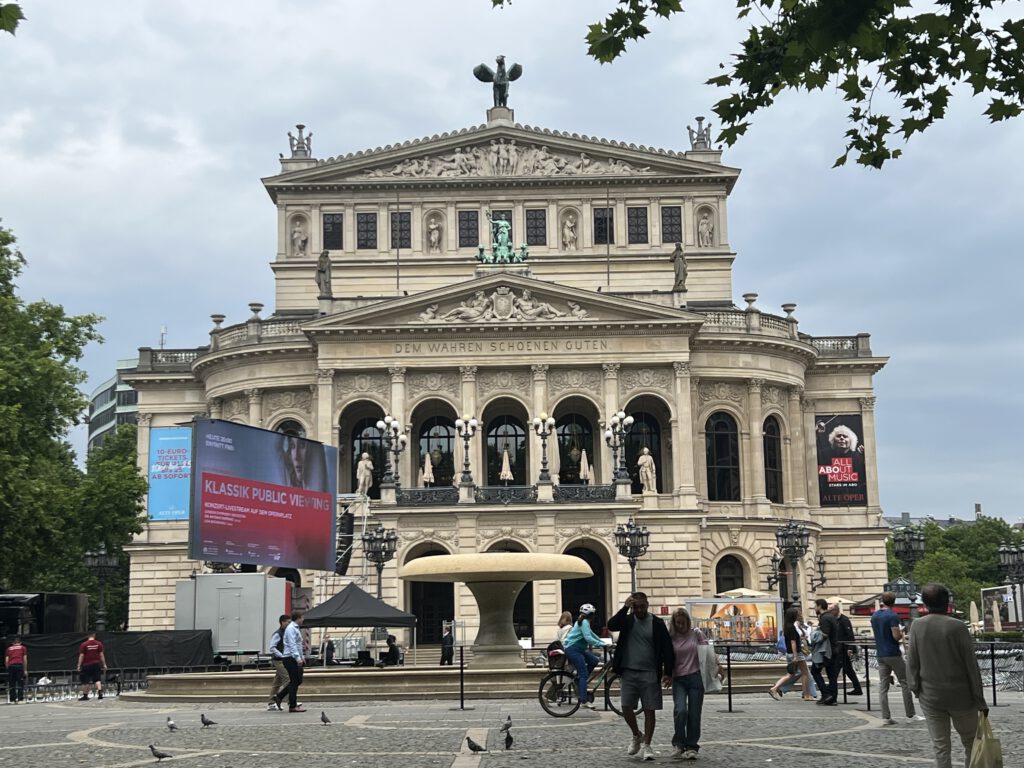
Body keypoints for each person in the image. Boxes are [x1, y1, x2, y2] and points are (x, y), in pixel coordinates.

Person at [907, 583, 988, 768]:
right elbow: (970, 665)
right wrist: (979, 698)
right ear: (947, 602)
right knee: (970, 742)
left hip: (931, 695)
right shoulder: (957, 627)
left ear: (925, 603)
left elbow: (912, 660)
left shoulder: (917, 626)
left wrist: (915, 688)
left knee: (940, 746)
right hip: (961, 696)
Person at [607, 592, 675, 761]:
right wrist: (624, 608)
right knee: (626, 707)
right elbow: (612, 625)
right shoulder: (628, 620)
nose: (638, 610)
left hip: (650, 672)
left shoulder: (657, 623)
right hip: (629, 671)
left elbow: (667, 648)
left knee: (649, 710)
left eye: (641, 606)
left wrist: (668, 672)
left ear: (647, 604)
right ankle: (637, 734)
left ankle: (647, 745)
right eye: (635, 607)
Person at [871, 591, 923, 724]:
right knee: (905, 682)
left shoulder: (875, 616)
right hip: (893, 653)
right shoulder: (892, 616)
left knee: (883, 686)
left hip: (880, 653)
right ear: (894, 602)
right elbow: (895, 636)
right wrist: (902, 631)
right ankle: (910, 715)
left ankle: (886, 716)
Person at [668, 607, 709, 760]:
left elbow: (707, 652)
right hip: (678, 679)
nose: (680, 626)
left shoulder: (696, 633)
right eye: (677, 623)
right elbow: (666, 656)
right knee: (680, 711)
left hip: (696, 678)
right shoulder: (671, 637)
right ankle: (678, 743)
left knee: (694, 713)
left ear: (687, 621)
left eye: (682, 622)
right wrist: (666, 674)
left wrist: (718, 666)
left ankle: (692, 746)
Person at [561, 603, 604, 710]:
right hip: (573, 649)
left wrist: (603, 642)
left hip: (578, 649)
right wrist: (602, 644)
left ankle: (579, 680)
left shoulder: (583, 622)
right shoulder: (584, 622)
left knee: (594, 660)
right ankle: (584, 701)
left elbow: (592, 634)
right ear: (591, 615)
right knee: (584, 673)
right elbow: (588, 638)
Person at [769, 607, 814, 702]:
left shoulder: (787, 626)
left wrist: (800, 639)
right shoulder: (792, 628)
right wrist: (796, 656)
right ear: (793, 616)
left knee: (790, 674)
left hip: (789, 653)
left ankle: (775, 688)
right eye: (796, 614)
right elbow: (793, 642)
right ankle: (807, 695)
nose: (797, 615)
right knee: (805, 673)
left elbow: (791, 640)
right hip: (796, 653)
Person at [809, 598, 840, 705]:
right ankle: (832, 698)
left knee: (815, 671)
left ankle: (826, 694)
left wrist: (814, 636)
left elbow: (825, 634)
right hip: (833, 649)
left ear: (819, 606)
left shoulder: (825, 618)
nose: (814, 608)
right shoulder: (830, 617)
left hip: (827, 651)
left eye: (815, 606)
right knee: (832, 675)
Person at [274, 611, 306, 713]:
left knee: (297, 680)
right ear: (298, 618)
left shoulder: (294, 628)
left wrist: (302, 657)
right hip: (290, 657)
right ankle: (292, 705)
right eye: (302, 618)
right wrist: (298, 658)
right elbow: (292, 645)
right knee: (294, 681)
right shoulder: (291, 629)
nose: (303, 620)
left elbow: (298, 645)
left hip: (293, 657)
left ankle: (279, 696)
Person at [835, 604, 863, 695]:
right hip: (840, 648)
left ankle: (831, 690)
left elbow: (850, 635)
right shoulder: (836, 620)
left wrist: (850, 648)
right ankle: (857, 688)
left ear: (836, 610)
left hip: (844, 649)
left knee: (837, 670)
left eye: (831, 610)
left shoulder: (844, 620)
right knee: (848, 670)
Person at [266, 614, 290, 710]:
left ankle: (271, 703)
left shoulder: (286, 633)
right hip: (278, 660)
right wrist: (282, 655)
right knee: (288, 679)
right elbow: (272, 647)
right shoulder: (278, 633)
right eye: (288, 622)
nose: (289, 624)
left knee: (277, 683)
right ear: (282, 622)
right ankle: (291, 701)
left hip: (282, 660)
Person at [76, 631, 107, 701]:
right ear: (94, 635)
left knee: (86, 681)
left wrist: (79, 665)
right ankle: (100, 693)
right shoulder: (99, 644)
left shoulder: (84, 644)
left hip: (86, 665)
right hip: (96, 664)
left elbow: (81, 655)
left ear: (88, 636)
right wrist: (104, 664)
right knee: (97, 679)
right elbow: (101, 655)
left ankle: (85, 696)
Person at [4, 636, 27, 704]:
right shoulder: (23, 648)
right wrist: (25, 669)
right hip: (19, 666)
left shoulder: (8, 649)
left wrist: (8, 668)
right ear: (20, 642)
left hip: (11, 666)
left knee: (12, 683)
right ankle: (20, 699)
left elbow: (6, 660)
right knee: (20, 683)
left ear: (12, 643)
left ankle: (12, 699)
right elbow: (25, 659)